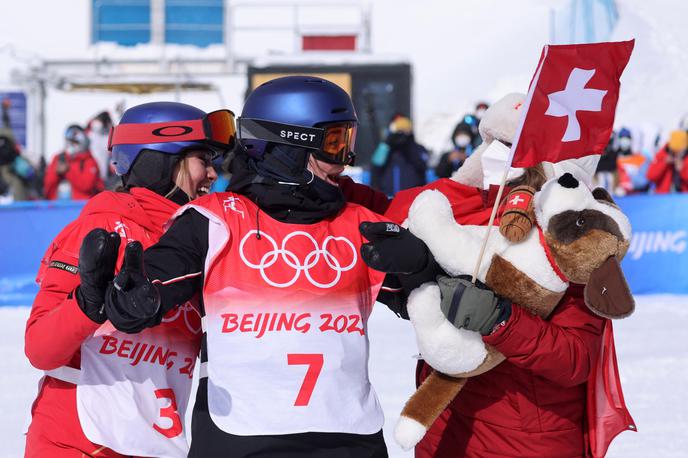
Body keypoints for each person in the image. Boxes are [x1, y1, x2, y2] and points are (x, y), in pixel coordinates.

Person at [79, 76, 391, 457]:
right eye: (334, 144)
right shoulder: (216, 220)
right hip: (242, 438)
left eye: (348, 142)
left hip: (348, 439)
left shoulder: (359, 222)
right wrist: (134, 297)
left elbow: (431, 304)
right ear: (290, 147)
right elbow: (159, 278)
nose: (346, 160)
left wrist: (425, 268)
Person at [361, 94, 634, 458]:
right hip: (445, 432)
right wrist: (411, 276)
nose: (493, 154)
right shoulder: (459, 206)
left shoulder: (569, 234)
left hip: (525, 441)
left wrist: (501, 320)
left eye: (510, 147)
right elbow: (370, 215)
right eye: (491, 142)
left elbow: (574, 360)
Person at [24, 101, 235, 457]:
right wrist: (88, 305)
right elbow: (40, 348)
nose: (213, 175)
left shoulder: (205, 239)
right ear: (160, 161)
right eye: (203, 160)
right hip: (76, 444)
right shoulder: (99, 231)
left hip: (155, 444)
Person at [370, 114, 429, 197]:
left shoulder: (417, 148)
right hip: (388, 197)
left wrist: (408, 142)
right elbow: (376, 164)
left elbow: (422, 165)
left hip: (412, 198)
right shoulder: (387, 148)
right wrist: (388, 142)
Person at [44, 125, 105, 200]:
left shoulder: (89, 161)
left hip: (82, 206)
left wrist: (68, 171)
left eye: (76, 142)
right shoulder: (59, 158)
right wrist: (56, 173)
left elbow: (87, 186)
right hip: (58, 207)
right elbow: (48, 187)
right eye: (71, 141)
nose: (73, 145)